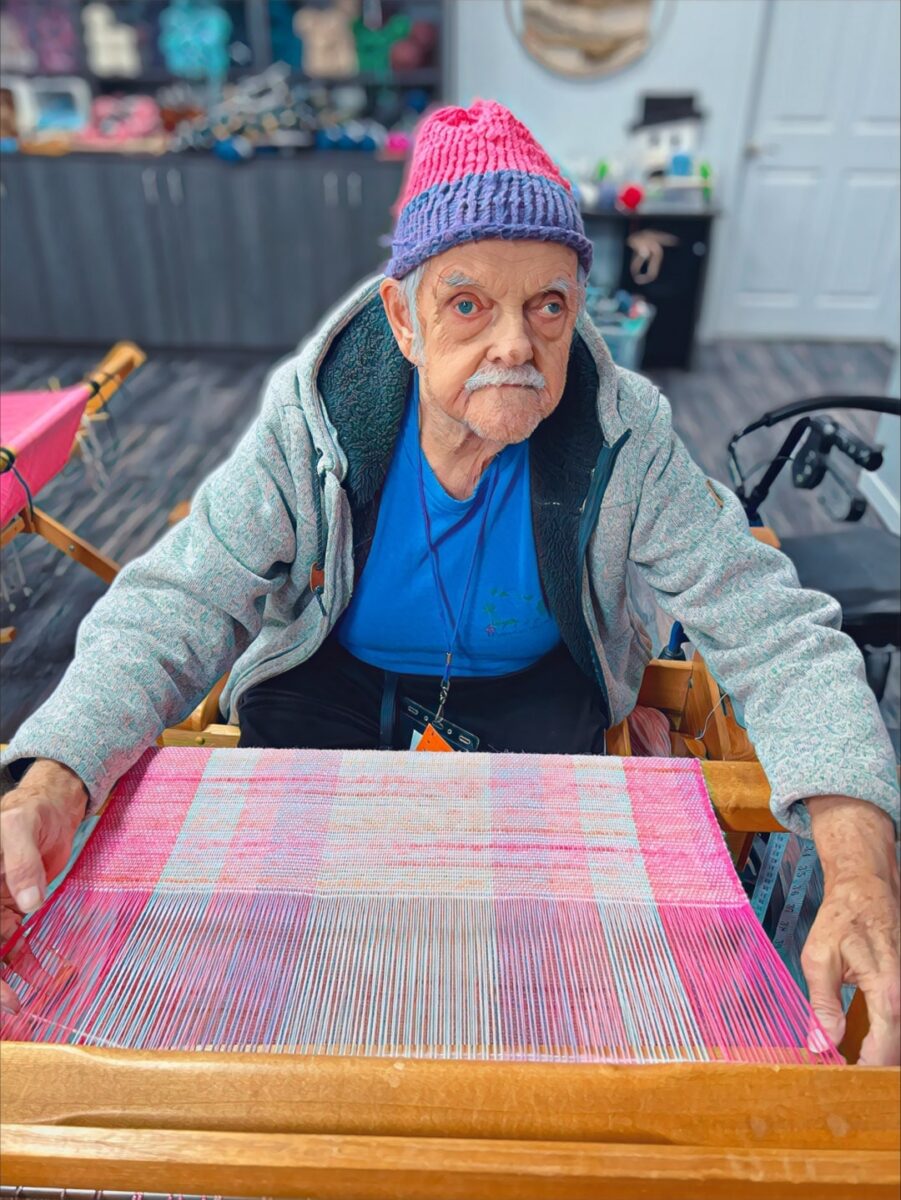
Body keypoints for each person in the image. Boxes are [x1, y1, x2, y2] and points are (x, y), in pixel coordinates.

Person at [1, 101, 898, 1061]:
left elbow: (771, 626)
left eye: (547, 306)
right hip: (329, 686)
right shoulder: (313, 429)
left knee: (519, 972)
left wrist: (857, 860)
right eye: (467, 304)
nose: (515, 344)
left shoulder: (621, 436)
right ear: (403, 318)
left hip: (530, 695)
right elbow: (173, 603)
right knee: (290, 960)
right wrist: (51, 777)